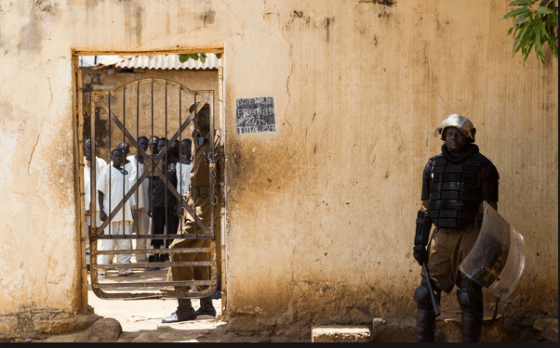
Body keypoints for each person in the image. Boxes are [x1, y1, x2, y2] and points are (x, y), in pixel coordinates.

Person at [412, 114, 500, 342]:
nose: (452, 137)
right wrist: (420, 242)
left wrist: (487, 246)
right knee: (425, 294)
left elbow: (490, 211)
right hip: (440, 239)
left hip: (470, 236)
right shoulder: (432, 166)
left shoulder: (484, 167)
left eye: (457, 133)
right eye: (448, 133)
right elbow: (425, 208)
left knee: (469, 294)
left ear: (468, 136)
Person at [162, 103, 222, 323]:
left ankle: (184, 307)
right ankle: (206, 306)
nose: (196, 120)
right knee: (200, 254)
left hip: (205, 203)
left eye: (201, 116)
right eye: (194, 117)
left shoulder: (215, 141)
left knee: (178, 250)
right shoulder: (198, 138)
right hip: (193, 201)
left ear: (210, 116)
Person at [97, 148, 137, 277]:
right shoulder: (106, 171)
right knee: (107, 243)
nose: (119, 158)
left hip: (125, 213)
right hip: (111, 213)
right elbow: (100, 191)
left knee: (124, 242)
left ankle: (123, 268)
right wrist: (101, 210)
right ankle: (102, 268)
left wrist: (131, 208)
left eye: (121, 156)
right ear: (111, 157)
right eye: (116, 156)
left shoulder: (124, 172)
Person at [148, 137, 180, 263]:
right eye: (160, 146)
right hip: (157, 203)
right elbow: (150, 186)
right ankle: (156, 255)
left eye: (164, 146)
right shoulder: (154, 164)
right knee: (157, 230)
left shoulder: (174, 164)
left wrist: (178, 204)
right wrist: (150, 205)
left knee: (171, 230)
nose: (162, 148)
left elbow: (178, 184)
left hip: (171, 203)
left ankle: (168, 255)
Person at [83, 139, 107, 270]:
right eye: (88, 147)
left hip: (98, 207)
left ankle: (98, 262)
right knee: (85, 237)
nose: (90, 149)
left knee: (98, 236)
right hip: (84, 206)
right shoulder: (80, 163)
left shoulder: (102, 163)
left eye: (92, 147)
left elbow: (104, 185)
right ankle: (87, 263)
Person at [128, 136, 151, 265]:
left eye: (145, 144)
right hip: (131, 201)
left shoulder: (149, 161)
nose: (143, 146)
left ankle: (141, 257)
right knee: (129, 228)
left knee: (143, 229)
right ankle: (125, 258)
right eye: (141, 144)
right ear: (136, 145)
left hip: (145, 199)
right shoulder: (129, 161)